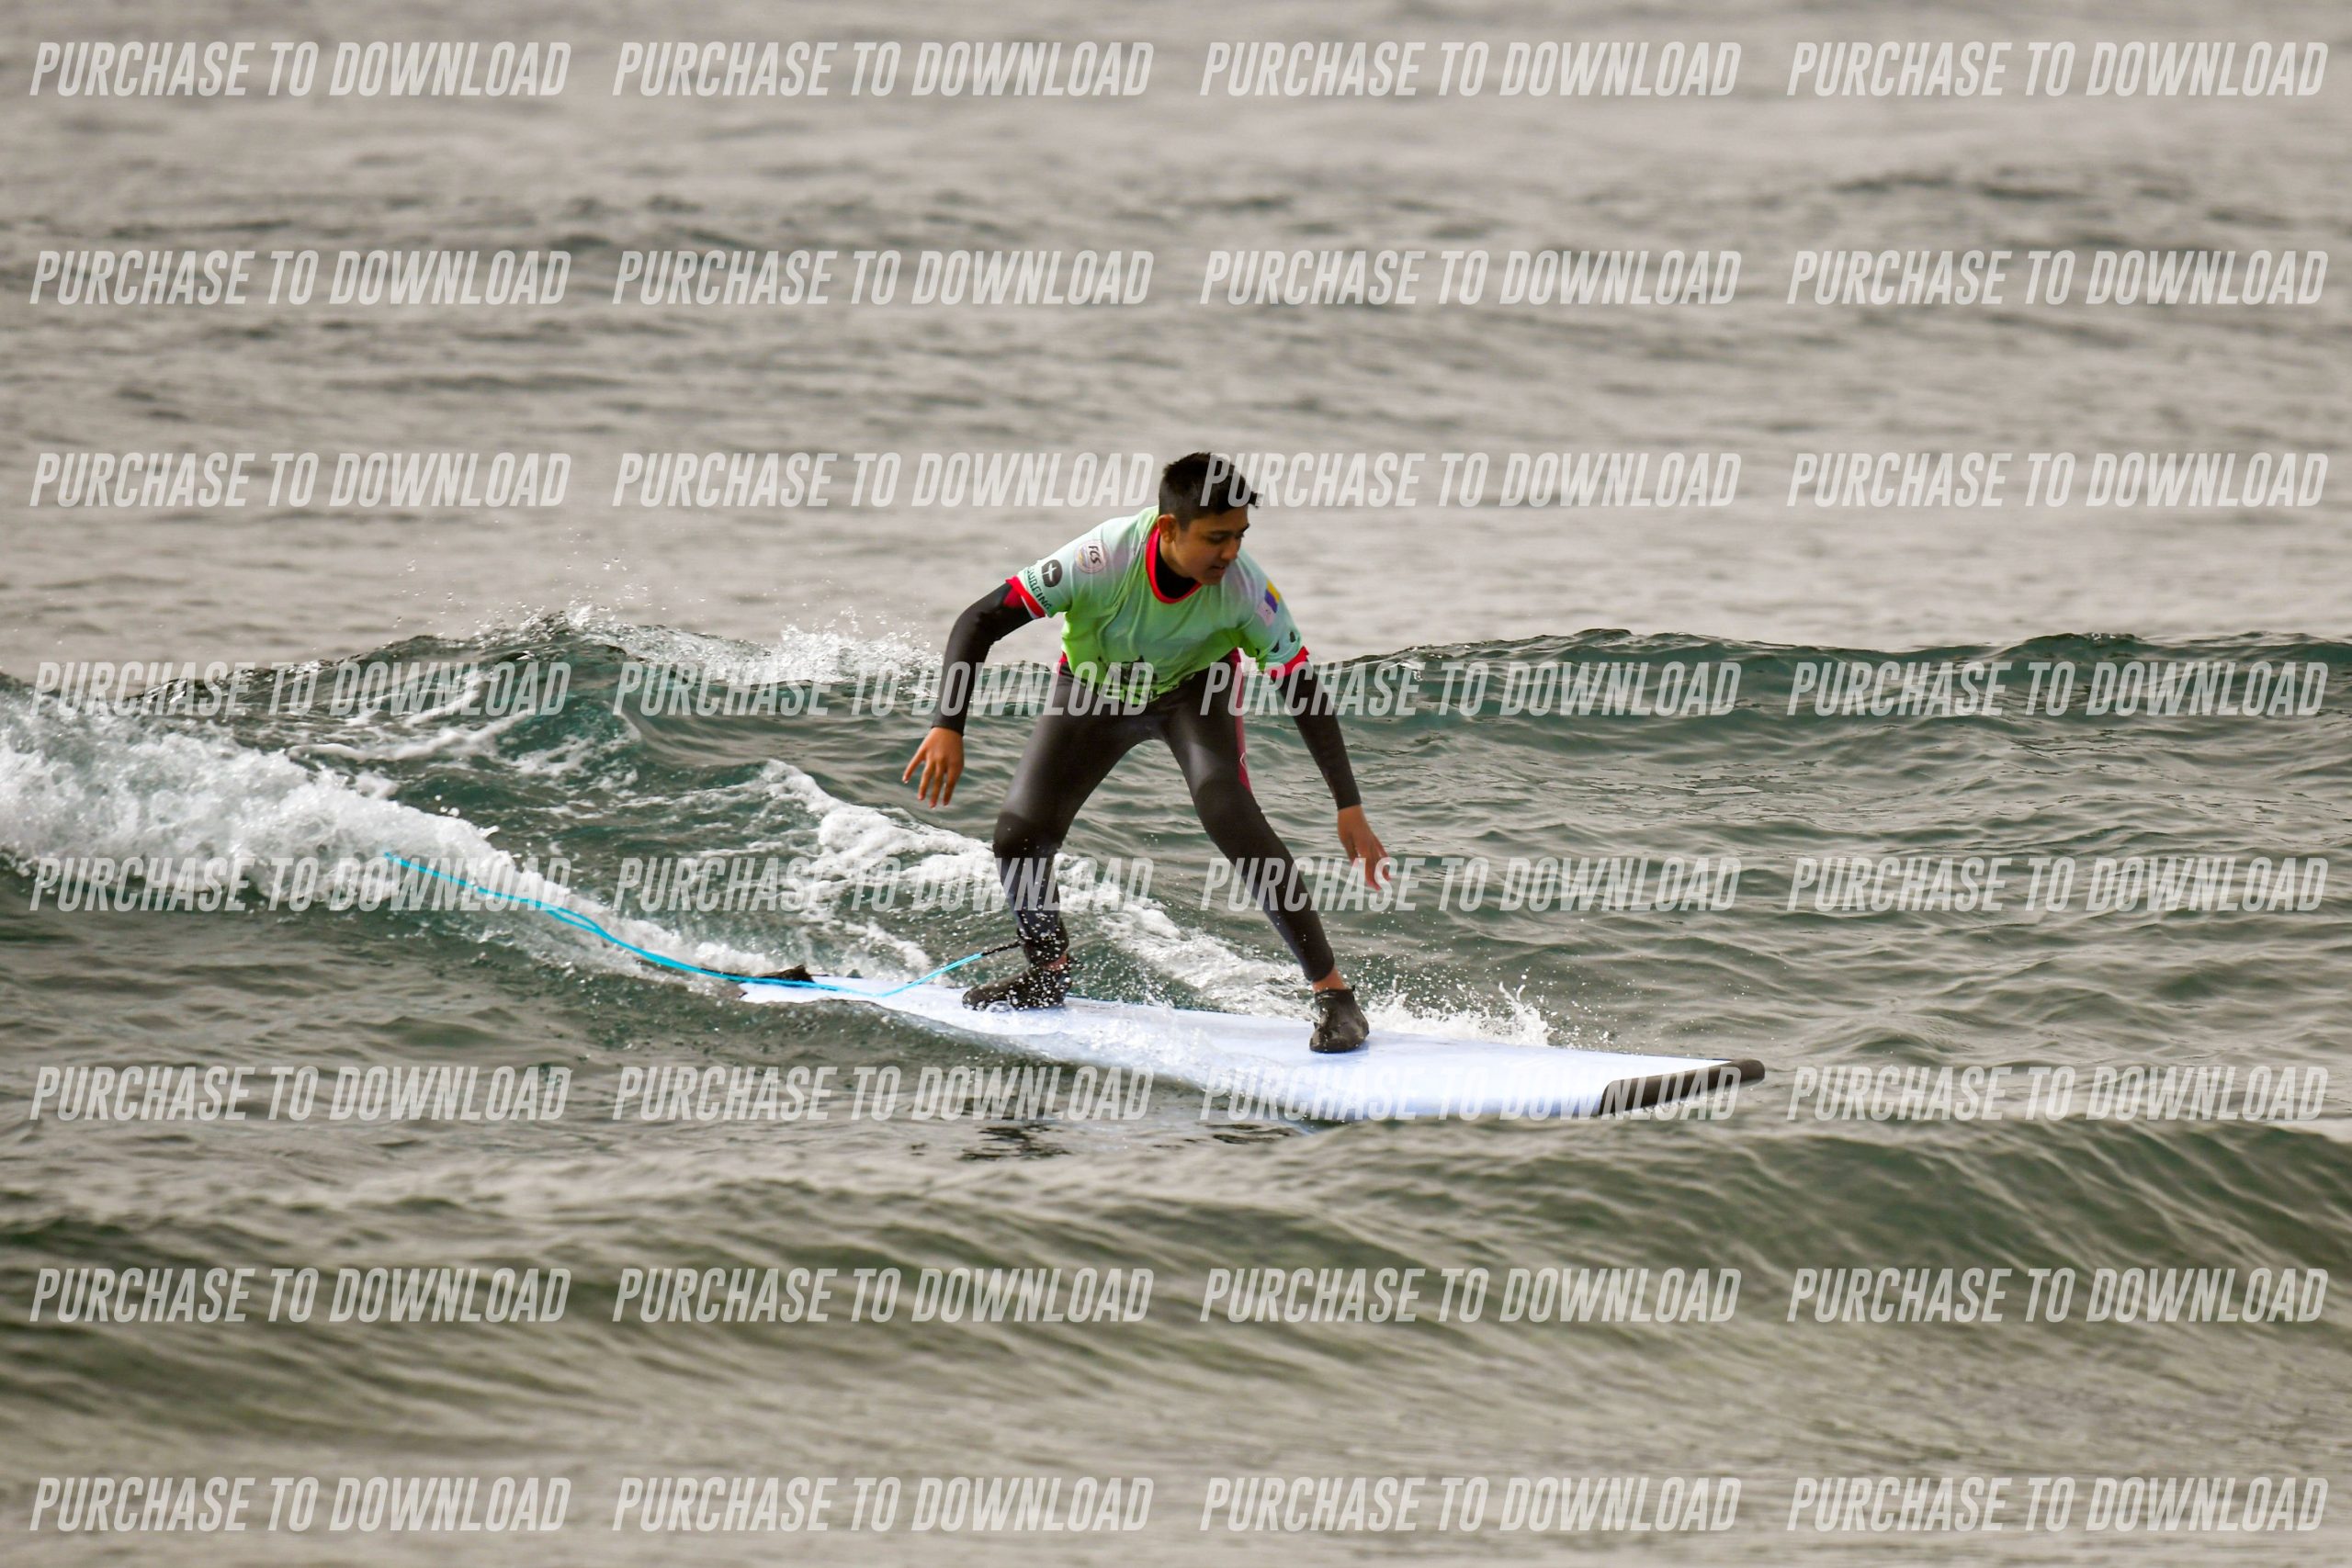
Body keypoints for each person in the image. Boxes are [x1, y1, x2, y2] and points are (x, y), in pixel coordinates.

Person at [903, 453, 1388, 1053]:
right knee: (1017, 836)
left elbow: (1302, 689)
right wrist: (948, 725)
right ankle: (1047, 973)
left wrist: (1348, 804)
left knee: (1228, 812)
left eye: (1239, 535)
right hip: (1093, 689)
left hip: (1193, 694)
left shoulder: (1245, 591)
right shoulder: (1101, 559)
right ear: (1168, 528)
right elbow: (979, 620)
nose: (1231, 552)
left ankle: (1336, 997)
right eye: (1216, 537)